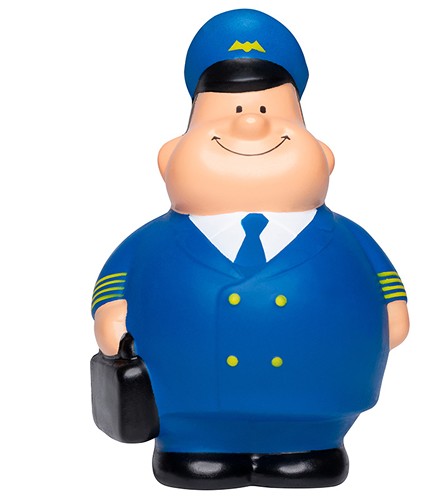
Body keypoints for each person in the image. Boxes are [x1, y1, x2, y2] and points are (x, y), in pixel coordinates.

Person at [91, 8, 409, 489]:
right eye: (229, 113)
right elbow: (115, 282)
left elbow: (384, 283)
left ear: (324, 156)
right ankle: (194, 449)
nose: (251, 125)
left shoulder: (346, 237)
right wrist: (112, 312)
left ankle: (310, 447)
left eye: (269, 112)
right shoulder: (152, 241)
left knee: (308, 440)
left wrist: (392, 309)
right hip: (186, 406)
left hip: (318, 403)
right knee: (195, 443)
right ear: (168, 157)